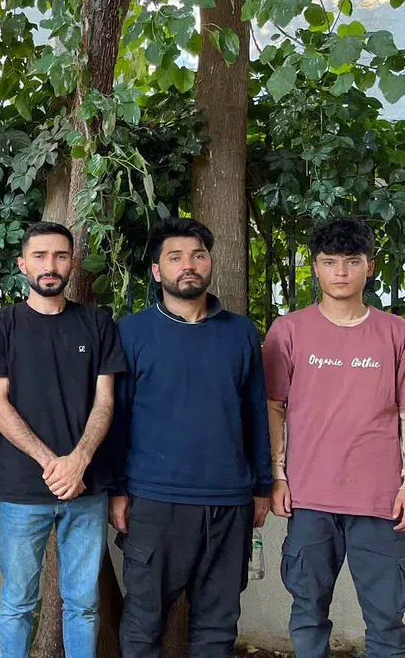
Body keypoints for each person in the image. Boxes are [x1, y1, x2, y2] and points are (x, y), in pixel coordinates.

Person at [107, 217, 272, 658]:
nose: (189, 266)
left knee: (218, 625)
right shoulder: (132, 332)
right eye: (175, 257)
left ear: (210, 263)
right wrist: (117, 491)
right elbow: (116, 418)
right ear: (157, 270)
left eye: (198, 256)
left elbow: (255, 413)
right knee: (143, 623)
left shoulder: (240, 332)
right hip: (155, 500)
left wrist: (262, 485)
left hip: (229, 500)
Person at [0, 222, 126, 658]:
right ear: (22, 264)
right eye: (40, 256)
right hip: (23, 490)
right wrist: (53, 463)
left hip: (87, 487)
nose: (50, 265)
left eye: (60, 256)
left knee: (83, 604)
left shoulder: (97, 323)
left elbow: (105, 401)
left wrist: (78, 462)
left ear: (72, 263)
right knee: (18, 602)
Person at [262, 217, 405, 658]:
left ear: (370, 267)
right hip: (310, 497)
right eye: (329, 262)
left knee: (387, 619)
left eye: (352, 261)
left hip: (381, 500)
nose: (341, 271)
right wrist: (278, 476)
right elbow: (273, 407)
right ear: (316, 268)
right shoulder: (288, 331)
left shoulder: (397, 332)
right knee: (307, 613)